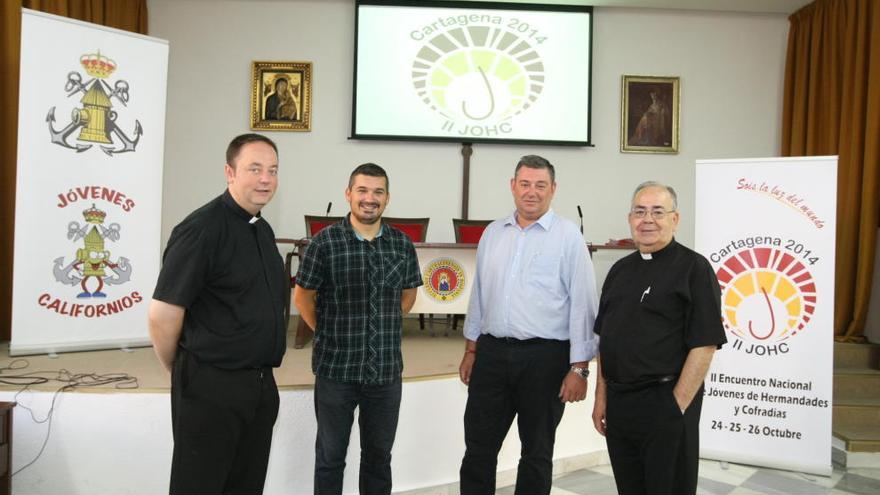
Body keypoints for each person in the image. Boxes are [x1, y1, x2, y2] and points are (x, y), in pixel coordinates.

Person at [148, 133, 287, 494]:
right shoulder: (201, 229)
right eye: (254, 169)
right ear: (229, 172)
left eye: (272, 170)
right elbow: (162, 315)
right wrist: (180, 369)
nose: (265, 179)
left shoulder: (262, 229)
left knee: (245, 485)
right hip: (211, 387)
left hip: (257, 386)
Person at [458, 155, 599, 494]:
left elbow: (583, 305)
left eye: (540, 185)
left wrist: (579, 369)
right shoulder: (493, 233)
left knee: (536, 452)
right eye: (525, 184)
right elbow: (480, 295)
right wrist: (471, 348)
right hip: (491, 355)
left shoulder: (568, 238)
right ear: (513, 186)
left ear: (553, 189)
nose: (531, 192)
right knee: (478, 448)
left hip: (545, 359)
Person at [294, 163, 422, 495]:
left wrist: (385, 319)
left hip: (385, 373)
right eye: (362, 190)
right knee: (330, 458)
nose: (370, 198)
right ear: (348, 194)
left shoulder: (401, 244)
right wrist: (323, 330)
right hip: (336, 371)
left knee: (379, 458)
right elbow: (303, 296)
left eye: (378, 192)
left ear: (387, 198)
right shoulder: (324, 242)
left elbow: (409, 294)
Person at [591, 181, 727, 495]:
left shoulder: (694, 269)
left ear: (675, 219)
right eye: (640, 212)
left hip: (665, 401)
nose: (647, 219)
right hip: (621, 405)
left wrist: (675, 407)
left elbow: (704, 344)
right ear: (629, 219)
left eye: (657, 212)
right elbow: (606, 340)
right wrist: (602, 397)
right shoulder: (619, 271)